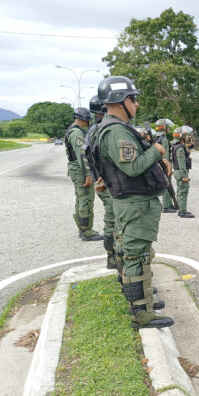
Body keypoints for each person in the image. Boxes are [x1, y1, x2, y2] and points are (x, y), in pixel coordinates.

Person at [95, 76, 173, 329]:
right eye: (133, 99)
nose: (137, 105)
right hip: (135, 203)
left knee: (137, 254)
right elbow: (133, 167)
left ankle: (144, 303)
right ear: (121, 101)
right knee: (136, 257)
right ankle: (141, 313)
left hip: (133, 202)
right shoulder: (116, 131)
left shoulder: (114, 128)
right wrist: (157, 151)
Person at [82, 95, 117, 267]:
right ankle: (114, 259)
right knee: (114, 222)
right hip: (108, 183)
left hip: (101, 181)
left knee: (112, 220)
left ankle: (113, 258)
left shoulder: (93, 129)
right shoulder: (103, 129)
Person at [65, 107, 102, 241]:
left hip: (77, 169)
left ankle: (83, 228)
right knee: (85, 198)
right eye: (87, 120)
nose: (88, 122)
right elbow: (82, 155)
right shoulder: (76, 133)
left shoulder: (74, 130)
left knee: (81, 198)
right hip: (80, 170)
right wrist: (87, 174)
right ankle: (86, 231)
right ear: (82, 119)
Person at [171, 125, 195, 217]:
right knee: (183, 191)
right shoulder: (180, 148)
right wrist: (185, 176)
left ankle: (180, 208)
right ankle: (183, 211)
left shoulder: (175, 146)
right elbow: (181, 163)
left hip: (177, 172)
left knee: (180, 191)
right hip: (181, 172)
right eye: (185, 135)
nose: (186, 137)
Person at [155, 119, 177, 214]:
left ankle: (169, 203)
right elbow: (165, 155)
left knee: (167, 184)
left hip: (159, 164)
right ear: (164, 128)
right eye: (167, 127)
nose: (168, 129)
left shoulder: (157, 138)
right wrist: (168, 167)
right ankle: (166, 206)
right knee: (167, 184)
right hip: (164, 165)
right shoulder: (163, 139)